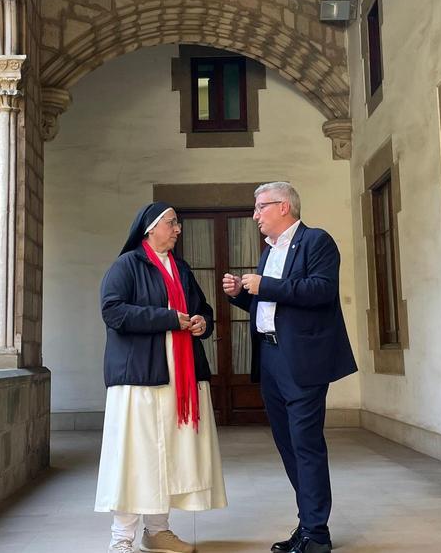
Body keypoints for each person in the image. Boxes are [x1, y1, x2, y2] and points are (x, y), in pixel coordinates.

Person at [221, 182, 357, 553]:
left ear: (283, 206)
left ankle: (317, 535)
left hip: (303, 360)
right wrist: (241, 295)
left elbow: (320, 291)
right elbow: (271, 307)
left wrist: (264, 284)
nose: (255, 216)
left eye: (260, 207)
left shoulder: (316, 241)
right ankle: (308, 523)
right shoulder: (270, 250)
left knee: (305, 444)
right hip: (270, 358)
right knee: (287, 445)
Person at [97, 202, 227, 553]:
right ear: (150, 228)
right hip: (140, 378)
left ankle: (157, 531)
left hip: (180, 377)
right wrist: (168, 318)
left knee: (166, 455)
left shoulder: (181, 268)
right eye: (172, 223)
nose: (177, 229)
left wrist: (201, 322)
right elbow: (113, 311)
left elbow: (202, 308)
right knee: (135, 456)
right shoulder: (126, 265)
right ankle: (121, 538)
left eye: (177, 223)